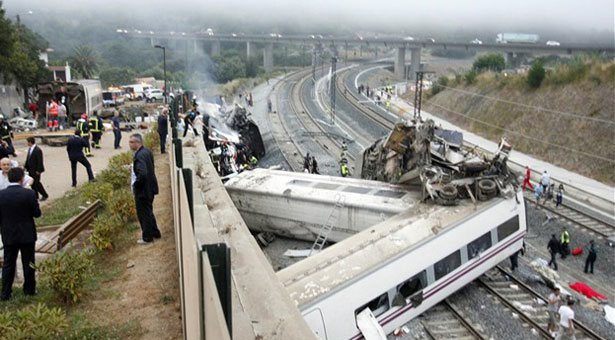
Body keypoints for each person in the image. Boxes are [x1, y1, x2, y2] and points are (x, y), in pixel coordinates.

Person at [0, 167, 41, 300]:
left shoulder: (1, 195)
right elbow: (37, 213)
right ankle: (29, 289)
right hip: (27, 234)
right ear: (21, 179)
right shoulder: (28, 194)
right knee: (28, 263)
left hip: (8, 234)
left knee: (8, 264)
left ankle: (6, 292)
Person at [129, 134, 161, 244]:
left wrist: (136, 185)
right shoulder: (147, 151)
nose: (130, 144)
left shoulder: (139, 156)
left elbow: (142, 173)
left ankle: (147, 237)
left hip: (143, 190)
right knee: (148, 211)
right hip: (150, 187)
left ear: (136, 143)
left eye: (131, 142)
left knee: (144, 214)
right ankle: (155, 232)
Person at [24, 136, 48, 201]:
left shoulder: (37, 150)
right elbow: (28, 159)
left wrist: (38, 170)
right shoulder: (30, 149)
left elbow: (40, 161)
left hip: (36, 170)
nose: (27, 143)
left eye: (27, 142)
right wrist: (25, 167)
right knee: (33, 184)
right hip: (30, 169)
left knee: (37, 183)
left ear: (30, 142)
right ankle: (35, 196)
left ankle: (44, 195)